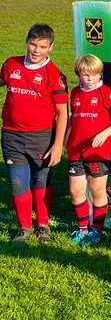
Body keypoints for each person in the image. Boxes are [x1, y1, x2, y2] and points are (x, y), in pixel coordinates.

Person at [0, 22, 68, 243]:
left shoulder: (54, 74)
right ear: (26, 42)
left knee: (40, 181)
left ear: (51, 47)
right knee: (18, 182)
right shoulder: (11, 64)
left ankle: (43, 225)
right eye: (33, 44)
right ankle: (24, 227)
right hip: (12, 135)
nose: (36, 50)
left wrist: (58, 145)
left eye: (42, 46)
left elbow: (62, 113)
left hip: (42, 137)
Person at [66, 53, 111, 246]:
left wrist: (105, 133)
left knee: (97, 189)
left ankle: (97, 230)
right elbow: (72, 120)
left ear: (100, 74)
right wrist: (64, 141)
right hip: (76, 151)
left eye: (93, 75)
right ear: (78, 74)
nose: (89, 79)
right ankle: (83, 228)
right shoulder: (75, 93)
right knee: (75, 191)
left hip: (98, 153)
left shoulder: (106, 93)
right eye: (85, 75)